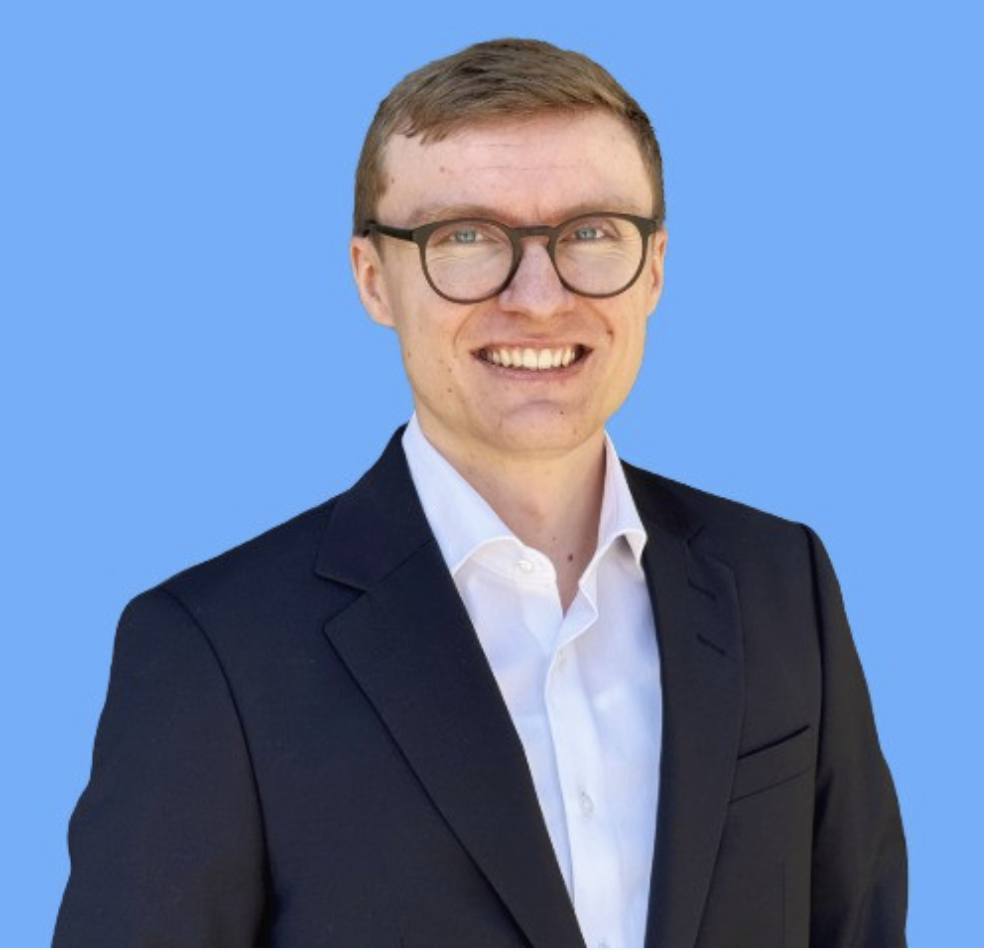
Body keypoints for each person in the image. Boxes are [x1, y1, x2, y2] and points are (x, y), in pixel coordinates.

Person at [53, 38, 907, 948]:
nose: (537, 298)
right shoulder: (213, 653)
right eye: (465, 237)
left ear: (655, 267)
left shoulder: (782, 585)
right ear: (373, 279)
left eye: (590, 233)